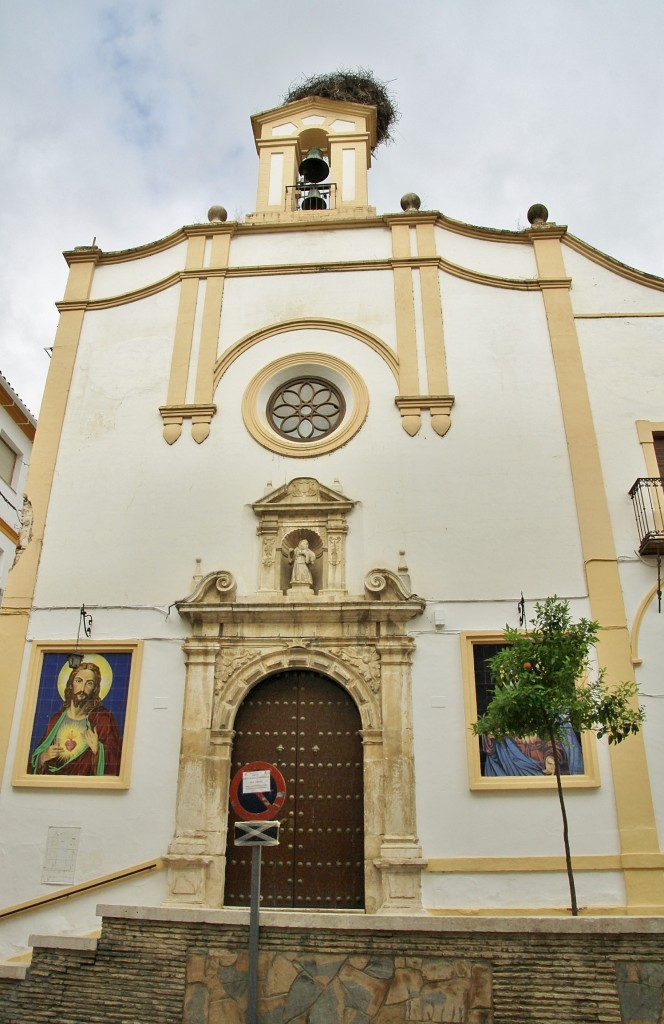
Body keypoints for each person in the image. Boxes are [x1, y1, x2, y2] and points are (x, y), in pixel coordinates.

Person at [30, 662, 122, 776]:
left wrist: (98, 749)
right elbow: (37, 760)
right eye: (78, 681)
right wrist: (42, 758)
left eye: (89, 683)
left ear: (95, 688)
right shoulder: (56, 719)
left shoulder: (102, 719)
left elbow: (116, 760)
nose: (82, 688)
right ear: (70, 685)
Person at [481, 722, 583, 777]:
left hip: (541, 768)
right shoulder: (505, 726)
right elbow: (492, 749)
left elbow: (553, 743)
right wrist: (492, 735)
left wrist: (550, 757)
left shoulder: (541, 724)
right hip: (512, 769)